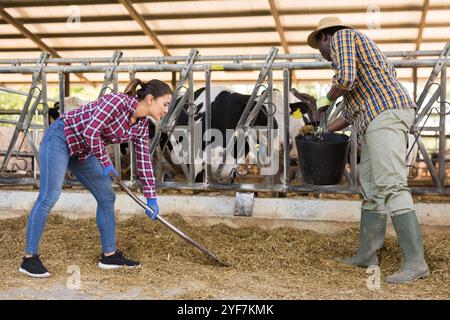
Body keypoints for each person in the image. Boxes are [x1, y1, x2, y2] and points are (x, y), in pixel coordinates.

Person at [307, 17, 429, 283]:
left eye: (320, 49)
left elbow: (345, 79)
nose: (324, 56)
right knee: (372, 189)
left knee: (392, 185)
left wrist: (327, 97)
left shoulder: (343, 38)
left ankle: (416, 262)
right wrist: (325, 130)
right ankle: (367, 254)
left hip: (385, 114)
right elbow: (350, 114)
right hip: (372, 121)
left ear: (325, 37)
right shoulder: (352, 66)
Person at [19, 79, 172, 278]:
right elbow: (91, 132)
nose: (166, 110)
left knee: (107, 196)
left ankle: (109, 255)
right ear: (150, 99)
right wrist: (106, 162)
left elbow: (143, 161)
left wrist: (151, 198)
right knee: (49, 196)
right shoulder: (117, 102)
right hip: (62, 137)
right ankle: (29, 259)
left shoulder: (141, 126)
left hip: (84, 151)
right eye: (165, 104)